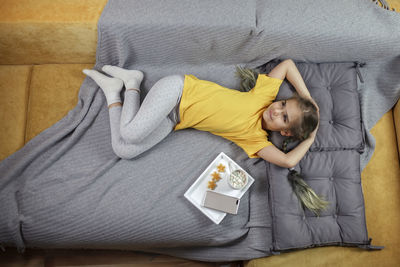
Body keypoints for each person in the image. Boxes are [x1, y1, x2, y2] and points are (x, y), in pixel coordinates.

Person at [82, 59, 319, 168]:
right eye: (283, 104)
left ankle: (115, 92)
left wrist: (311, 137)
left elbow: (288, 161)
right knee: (131, 134)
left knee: (124, 150)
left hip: (173, 119)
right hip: (177, 90)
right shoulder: (264, 97)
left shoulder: (256, 140)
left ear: (285, 131)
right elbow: (288, 65)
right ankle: (133, 82)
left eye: (284, 117)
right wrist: (308, 99)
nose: (277, 110)